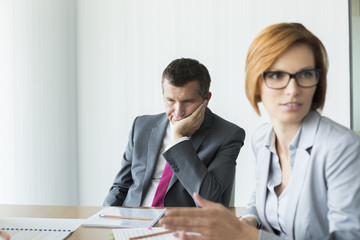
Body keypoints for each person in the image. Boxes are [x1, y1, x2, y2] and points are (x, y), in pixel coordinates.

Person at [159, 23, 360, 239]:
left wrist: (250, 236)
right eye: (276, 75)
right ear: (256, 82)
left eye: (306, 74)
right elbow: (262, 199)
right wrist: (247, 220)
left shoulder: (342, 147)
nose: (293, 90)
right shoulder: (263, 138)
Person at [103, 58, 245, 207]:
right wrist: (103, 218)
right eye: (170, 100)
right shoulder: (141, 126)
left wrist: (178, 139)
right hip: (132, 221)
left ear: (206, 99)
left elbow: (208, 199)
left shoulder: (228, 135)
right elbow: (121, 186)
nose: (178, 111)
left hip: (180, 225)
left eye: (188, 101)